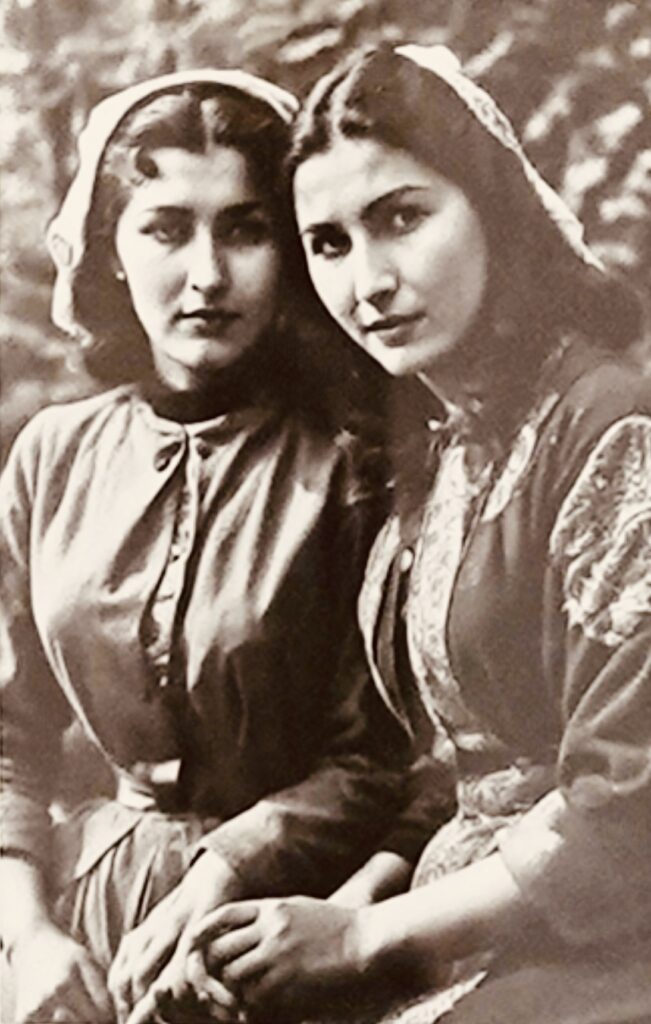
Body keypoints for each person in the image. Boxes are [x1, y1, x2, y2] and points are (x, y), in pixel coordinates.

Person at [188, 44, 651, 1023]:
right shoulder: (445, 449)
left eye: (401, 217)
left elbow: (631, 807)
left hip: (609, 939)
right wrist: (349, 909)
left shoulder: (610, 425)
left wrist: (367, 939)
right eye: (329, 244)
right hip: (466, 909)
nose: (369, 281)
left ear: (493, 209)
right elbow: (460, 766)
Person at [0, 68, 410, 1024]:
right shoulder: (51, 455)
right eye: (165, 229)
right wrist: (29, 936)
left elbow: (385, 757)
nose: (207, 276)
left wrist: (226, 868)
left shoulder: (356, 461)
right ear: (110, 249)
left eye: (244, 230)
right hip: (76, 918)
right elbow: (9, 738)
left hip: (284, 926)